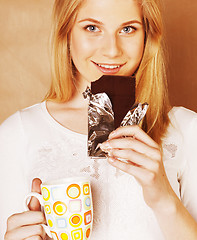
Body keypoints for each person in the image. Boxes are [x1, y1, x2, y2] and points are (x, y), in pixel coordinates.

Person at [1, 0, 197, 239]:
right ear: (66, 32)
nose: (112, 50)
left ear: (147, 36)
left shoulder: (187, 129)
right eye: (92, 28)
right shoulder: (18, 133)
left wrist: (164, 199)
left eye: (128, 29)